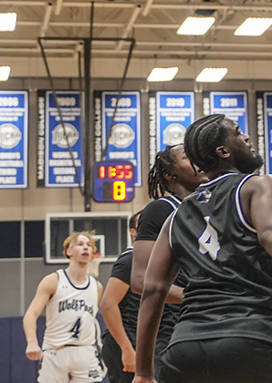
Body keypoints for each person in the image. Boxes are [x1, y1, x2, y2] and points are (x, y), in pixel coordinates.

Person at [133, 114, 272, 383]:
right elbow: (270, 232)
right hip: (249, 338)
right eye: (238, 131)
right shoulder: (260, 186)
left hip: (184, 350)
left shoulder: (176, 216)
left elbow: (153, 290)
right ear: (223, 151)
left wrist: (143, 372)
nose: (247, 137)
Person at [130, 144, 212, 366]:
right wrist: (203, 301)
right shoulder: (161, 209)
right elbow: (139, 280)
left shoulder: (216, 205)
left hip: (217, 321)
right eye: (188, 157)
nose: (198, 161)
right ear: (170, 174)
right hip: (175, 326)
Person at [23, 231, 105, 383]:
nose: (85, 248)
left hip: (85, 351)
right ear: (69, 251)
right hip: (55, 351)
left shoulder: (97, 287)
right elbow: (31, 314)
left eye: (89, 245)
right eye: (80, 244)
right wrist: (32, 342)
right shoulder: (53, 280)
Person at [101, 212, 143, 383]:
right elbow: (107, 305)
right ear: (133, 231)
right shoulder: (130, 259)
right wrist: (126, 348)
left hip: (141, 340)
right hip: (125, 342)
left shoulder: (151, 259)